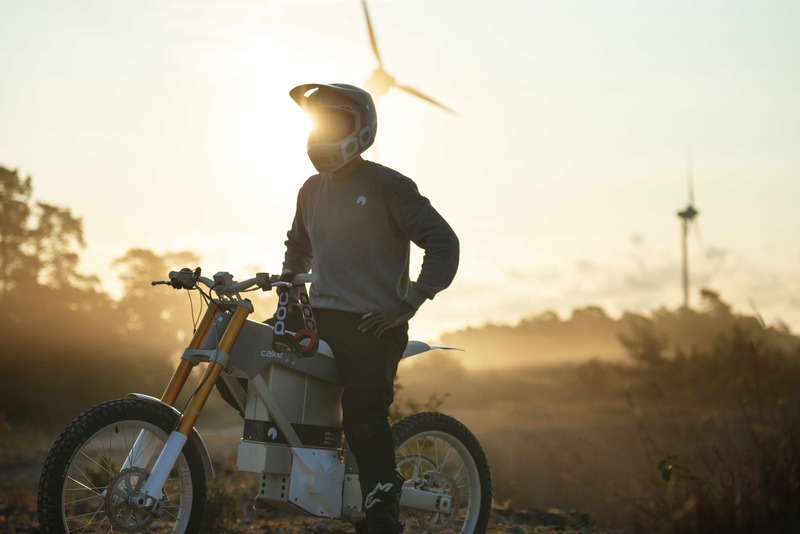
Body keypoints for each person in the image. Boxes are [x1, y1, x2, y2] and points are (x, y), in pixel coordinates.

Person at [282, 83, 459, 533]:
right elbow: (297, 246)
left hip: (372, 324)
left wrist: (410, 302)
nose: (323, 132)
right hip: (319, 316)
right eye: (317, 122)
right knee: (251, 357)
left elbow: (443, 243)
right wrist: (289, 291)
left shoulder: (389, 186)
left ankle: (381, 512)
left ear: (361, 128)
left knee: (363, 415)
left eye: (335, 121)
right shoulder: (309, 189)